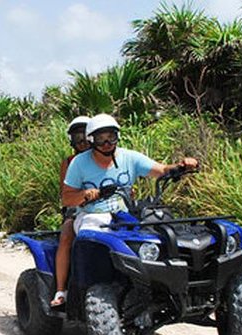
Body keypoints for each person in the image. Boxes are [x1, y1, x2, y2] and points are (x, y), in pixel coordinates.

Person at [50, 113, 198, 306]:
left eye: (110, 137)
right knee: (87, 238)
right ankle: (78, 290)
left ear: (117, 136)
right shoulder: (77, 163)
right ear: (91, 140)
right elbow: (67, 197)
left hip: (125, 215)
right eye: (100, 139)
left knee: (155, 233)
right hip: (91, 214)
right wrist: (86, 195)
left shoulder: (129, 157)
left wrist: (181, 166)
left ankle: (156, 285)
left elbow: (160, 170)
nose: (106, 143)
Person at [50, 116, 92, 306]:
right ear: (72, 141)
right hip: (77, 207)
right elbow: (66, 193)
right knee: (67, 236)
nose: (82, 142)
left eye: (85, 136)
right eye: (77, 138)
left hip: (110, 206)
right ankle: (61, 290)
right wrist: (84, 196)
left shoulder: (108, 156)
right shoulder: (69, 162)